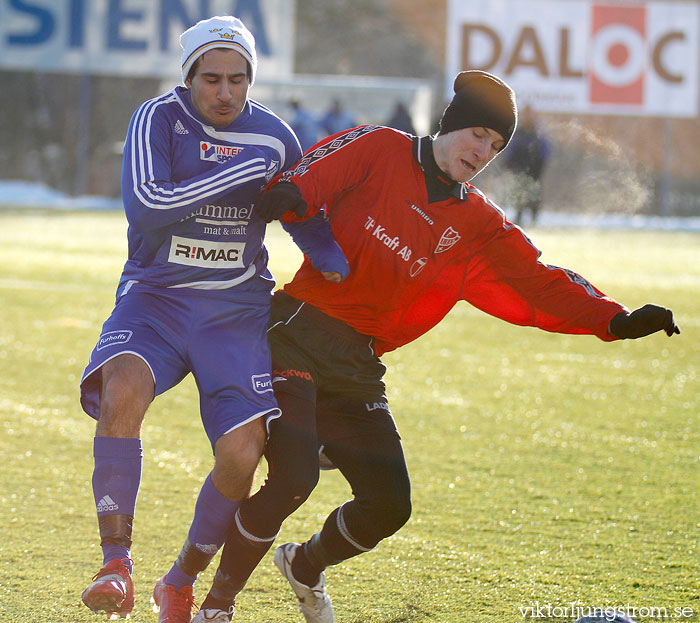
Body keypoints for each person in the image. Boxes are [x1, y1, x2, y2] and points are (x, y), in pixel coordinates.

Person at [192, 71, 680, 623]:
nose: (483, 151)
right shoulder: (382, 147)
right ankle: (216, 607)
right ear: (450, 125)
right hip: (297, 334)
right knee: (294, 477)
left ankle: (304, 564)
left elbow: (538, 279)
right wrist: (295, 192)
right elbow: (320, 170)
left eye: (496, 146)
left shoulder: (477, 222)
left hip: (356, 364)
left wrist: (614, 319)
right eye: (477, 134)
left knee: (388, 506)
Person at [78, 15, 302, 622]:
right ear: (189, 77)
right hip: (157, 299)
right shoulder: (157, 119)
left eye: (237, 79)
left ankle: (179, 581)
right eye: (211, 79)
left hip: (235, 312)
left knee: (243, 452)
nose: (225, 93)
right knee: (122, 385)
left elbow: (309, 216)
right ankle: (115, 564)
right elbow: (147, 207)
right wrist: (242, 173)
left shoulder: (278, 139)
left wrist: (339, 261)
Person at [501, 105, 551, 225]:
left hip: (535, 169)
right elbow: (511, 148)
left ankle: (534, 219)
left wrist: (541, 165)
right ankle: (519, 217)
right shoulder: (518, 131)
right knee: (519, 193)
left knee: (534, 194)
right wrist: (509, 163)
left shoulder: (538, 131)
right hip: (519, 168)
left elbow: (545, 149)